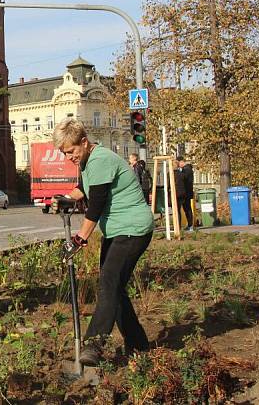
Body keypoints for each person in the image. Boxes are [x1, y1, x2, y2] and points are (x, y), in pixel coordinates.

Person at [55, 119, 154, 366]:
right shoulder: (90, 160)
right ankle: (139, 345)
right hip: (119, 231)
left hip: (132, 229)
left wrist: (79, 239)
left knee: (108, 284)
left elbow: (96, 204)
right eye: (65, 153)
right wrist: (67, 198)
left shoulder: (99, 160)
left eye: (71, 151)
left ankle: (94, 345)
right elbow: (85, 188)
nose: (69, 157)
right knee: (115, 288)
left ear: (84, 142)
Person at [176, 156, 195, 231]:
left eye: (178, 163)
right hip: (186, 192)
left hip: (186, 192)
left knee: (187, 209)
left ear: (181, 162)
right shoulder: (187, 169)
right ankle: (189, 225)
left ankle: (190, 226)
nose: (177, 165)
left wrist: (178, 172)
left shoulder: (186, 169)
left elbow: (184, 179)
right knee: (186, 209)